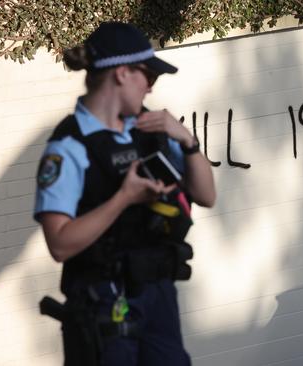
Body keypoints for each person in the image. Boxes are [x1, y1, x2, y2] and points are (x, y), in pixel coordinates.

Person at [33, 22, 215, 366]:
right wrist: (124, 199)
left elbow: (207, 196)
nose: (150, 88)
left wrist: (187, 141)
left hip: (156, 292)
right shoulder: (69, 146)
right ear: (121, 74)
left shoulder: (149, 127)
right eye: (149, 76)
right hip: (103, 301)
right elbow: (58, 244)